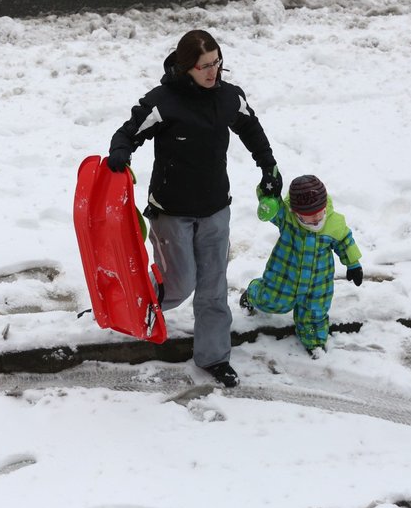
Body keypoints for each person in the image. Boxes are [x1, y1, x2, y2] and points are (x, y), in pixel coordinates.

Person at [106, 29, 282, 387]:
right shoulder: (164, 102)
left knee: (213, 287)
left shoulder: (229, 98)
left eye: (217, 63)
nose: (212, 72)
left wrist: (268, 166)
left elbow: (251, 128)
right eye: (204, 66)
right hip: (171, 209)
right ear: (187, 68)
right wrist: (120, 154)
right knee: (180, 283)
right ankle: (131, 303)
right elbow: (128, 132)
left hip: (216, 206)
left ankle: (214, 357)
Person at [240, 175, 363, 358]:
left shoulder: (333, 223)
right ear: (295, 212)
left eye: (319, 213)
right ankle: (253, 292)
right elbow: (271, 205)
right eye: (307, 216)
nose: (315, 219)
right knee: (272, 301)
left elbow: (345, 241)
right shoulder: (287, 218)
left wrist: (353, 263)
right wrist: (267, 194)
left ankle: (313, 341)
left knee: (315, 310)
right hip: (285, 274)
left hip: (318, 280)